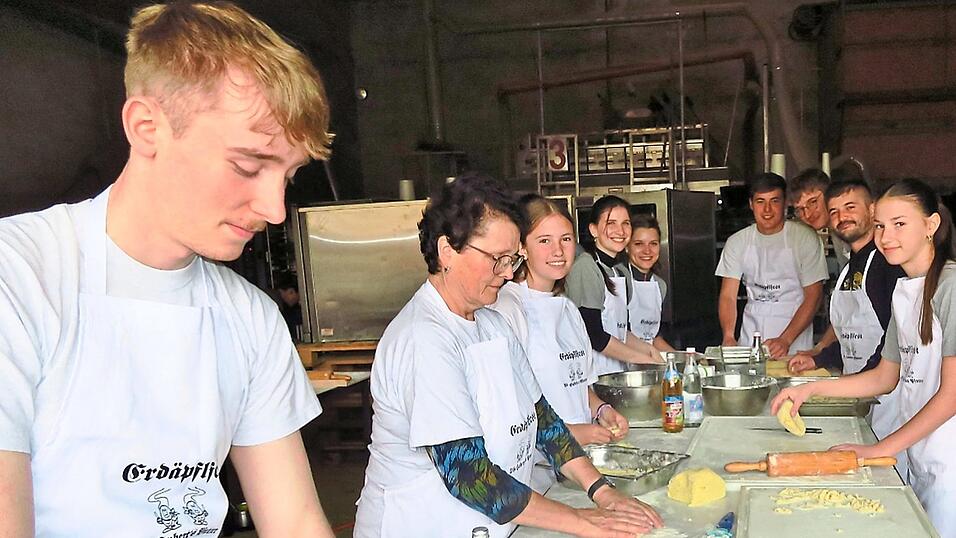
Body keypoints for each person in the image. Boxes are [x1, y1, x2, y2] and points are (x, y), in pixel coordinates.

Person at [0, 3, 334, 536]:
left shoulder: (248, 317)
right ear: (147, 127)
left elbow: (294, 519)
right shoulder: (17, 278)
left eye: (288, 177)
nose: (274, 209)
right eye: (247, 166)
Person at [355, 176, 662, 537]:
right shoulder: (424, 338)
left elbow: (543, 420)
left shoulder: (492, 323)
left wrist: (602, 492)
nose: (507, 273)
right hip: (423, 526)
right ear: (447, 251)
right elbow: (469, 475)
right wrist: (583, 521)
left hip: (492, 525)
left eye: (512, 259)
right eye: (497, 259)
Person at [773, 178, 956, 535]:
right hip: (921, 453)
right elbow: (883, 378)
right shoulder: (905, 291)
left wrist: (876, 449)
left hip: (950, 457)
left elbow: (951, 397)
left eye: (900, 224)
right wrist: (807, 390)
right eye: (881, 226)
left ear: (931, 225)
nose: (887, 237)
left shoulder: (950, 287)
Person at [490, 194, 630, 491]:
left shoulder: (567, 308)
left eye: (565, 239)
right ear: (522, 247)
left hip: (580, 465)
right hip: (536, 474)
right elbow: (506, 412)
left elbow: (580, 385)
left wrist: (602, 410)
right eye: (544, 241)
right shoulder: (507, 310)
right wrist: (571, 432)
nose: (558, 251)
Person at [786, 179, 908, 476]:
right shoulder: (852, 265)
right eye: (835, 211)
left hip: (888, 399)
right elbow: (857, 334)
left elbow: (892, 341)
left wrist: (853, 388)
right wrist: (819, 358)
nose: (842, 217)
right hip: (862, 393)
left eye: (850, 207)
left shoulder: (886, 264)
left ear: (872, 209)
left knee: (889, 476)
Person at [716, 173, 828, 358]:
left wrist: (785, 339)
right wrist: (728, 335)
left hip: (795, 338)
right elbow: (728, 296)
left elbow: (813, 296)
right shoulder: (737, 242)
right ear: (751, 204)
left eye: (774, 201)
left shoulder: (804, 238)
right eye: (760, 202)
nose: (767, 209)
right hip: (751, 335)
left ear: (785, 204)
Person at [566, 195, 663, 375]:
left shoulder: (620, 272)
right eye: (611, 223)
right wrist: (639, 359)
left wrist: (650, 351)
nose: (620, 230)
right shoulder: (586, 267)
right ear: (593, 229)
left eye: (626, 223)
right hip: (594, 376)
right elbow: (593, 334)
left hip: (616, 372)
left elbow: (621, 332)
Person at [626, 213, 676, 352]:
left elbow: (653, 338)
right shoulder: (618, 279)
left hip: (647, 362)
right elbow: (617, 334)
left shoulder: (660, 285)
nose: (647, 250)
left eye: (653, 244)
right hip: (621, 363)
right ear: (627, 246)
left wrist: (681, 358)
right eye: (638, 244)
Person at [789, 168, 852, 268]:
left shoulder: (850, 227)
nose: (808, 215)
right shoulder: (836, 233)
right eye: (800, 209)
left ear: (829, 195)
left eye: (813, 202)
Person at [275, 272, 303, 340]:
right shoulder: (289, 310)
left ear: (291, 292)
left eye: (282, 293)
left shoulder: (297, 313)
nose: (282, 297)